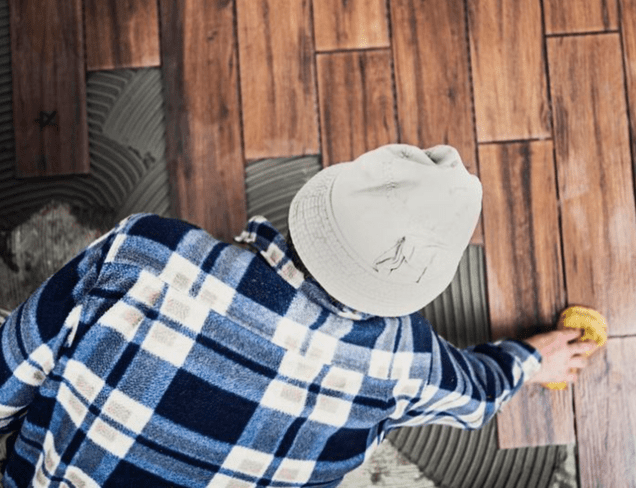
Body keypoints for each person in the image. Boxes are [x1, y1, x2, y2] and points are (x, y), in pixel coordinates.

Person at [0, 144, 598, 487]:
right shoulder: (399, 362)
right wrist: (530, 360)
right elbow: (474, 397)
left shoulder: (147, 253)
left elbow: (8, 375)